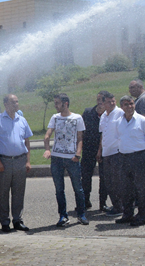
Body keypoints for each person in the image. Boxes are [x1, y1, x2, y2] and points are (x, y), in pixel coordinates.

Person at [0, 95, 33, 232]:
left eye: (17, 101)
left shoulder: (22, 120)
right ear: (6, 104)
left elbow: (27, 141)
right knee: (4, 193)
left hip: (20, 160)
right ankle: (5, 222)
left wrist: (28, 161)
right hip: (4, 161)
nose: (16, 104)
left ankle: (17, 220)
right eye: (13, 102)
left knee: (19, 193)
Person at [42, 93, 87, 226]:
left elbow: (80, 138)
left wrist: (78, 154)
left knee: (78, 188)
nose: (55, 106)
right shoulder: (55, 118)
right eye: (55, 103)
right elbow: (47, 135)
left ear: (65, 103)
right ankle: (63, 216)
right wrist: (47, 149)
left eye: (57, 103)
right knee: (59, 189)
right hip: (57, 158)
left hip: (71, 158)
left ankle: (81, 214)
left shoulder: (77, 118)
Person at [115, 95, 145, 226]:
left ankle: (142, 216)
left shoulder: (143, 121)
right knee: (125, 188)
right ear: (121, 107)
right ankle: (127, 214)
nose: (129, 107)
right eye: (126, 104)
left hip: (139, 157)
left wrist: (140, 150)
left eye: (131, 104)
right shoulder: (119, 122)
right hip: (124, 157)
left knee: (142, 189)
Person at [97, 91, 123, 216]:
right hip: (106, 153)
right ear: (103, 103)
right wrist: (100, 150)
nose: (112, 103)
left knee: (118, 181)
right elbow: (103, 134)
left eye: (113, 101)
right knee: (109, 181)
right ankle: (116, 205)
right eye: (109, 102)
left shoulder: (120, 113)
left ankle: (122, 206)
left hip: (117, 152)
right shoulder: (103, 116)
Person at [79, 92, 106, 211]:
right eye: (98, 99)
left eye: (103, 99)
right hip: (88, 148)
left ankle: (103, 203)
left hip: (104, 148)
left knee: (104, 177)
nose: (100, 101)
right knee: (85, 175)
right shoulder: (88, 112)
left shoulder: (109, 114)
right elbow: (80, 129)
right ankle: (85, 201)